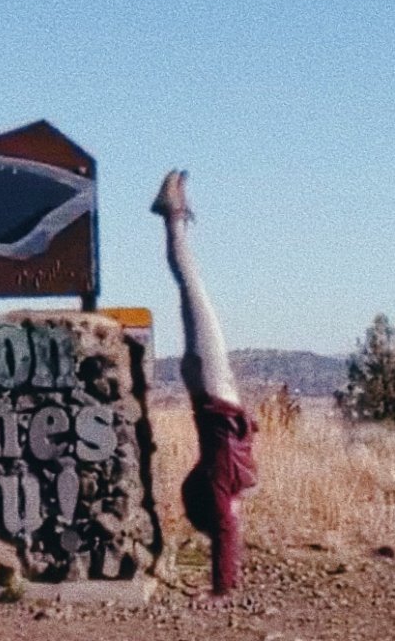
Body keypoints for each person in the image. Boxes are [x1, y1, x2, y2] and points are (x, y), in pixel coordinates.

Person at [152, 169, 258, 595]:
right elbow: (228, 525)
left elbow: (227, 530)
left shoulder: (221, 478)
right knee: (189, 292)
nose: (237, 512)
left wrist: (223, 590)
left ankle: (173, 218)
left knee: (193, 289)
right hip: (205, 386)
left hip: (213, 387)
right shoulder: (218, 476)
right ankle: (173, 217)